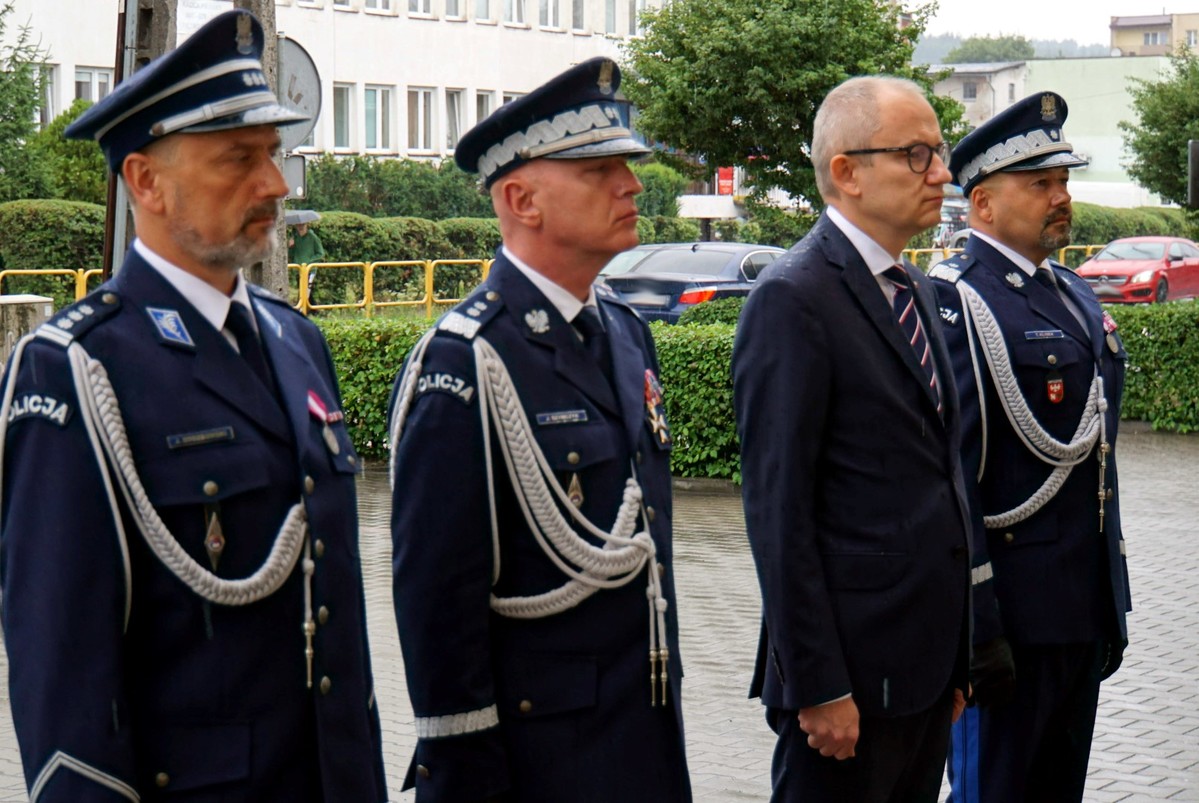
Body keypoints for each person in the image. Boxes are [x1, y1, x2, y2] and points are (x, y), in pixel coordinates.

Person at [0, 11, 387, 801]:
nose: (274, 184)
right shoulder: (77, 368)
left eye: (273, 156)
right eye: (239, 159)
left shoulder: (294, 341)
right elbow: (62, 673)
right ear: (145, 180)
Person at [386, 57, 691, 802]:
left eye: (626, 165)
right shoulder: (465, 360)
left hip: (641, 733)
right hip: (535, 758)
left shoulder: (622, 330)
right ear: (521, 198)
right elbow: (437, 599)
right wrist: (464, 769)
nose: (631, 184)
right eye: (598, 170)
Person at [732, 75, 972, 802]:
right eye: (916, 154)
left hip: (923, 672)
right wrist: (818, 683)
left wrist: (957, 657)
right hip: (847, 687)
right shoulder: (792, 297)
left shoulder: (916, 290)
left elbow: (940, 478)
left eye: (938, 151)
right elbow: (778, 512)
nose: (942, 174)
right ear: (846, 172)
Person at [929, 92, 1131, 803]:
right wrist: (974, 623)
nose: (1060, 197)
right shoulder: (953, 303)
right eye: (1039, 184)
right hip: (1008, 617)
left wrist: (1111, 600)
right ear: (981, 203)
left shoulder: (1074, 296)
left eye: (1063, 182)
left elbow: (1094, 466)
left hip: (1077, 609)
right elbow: (953, 475)